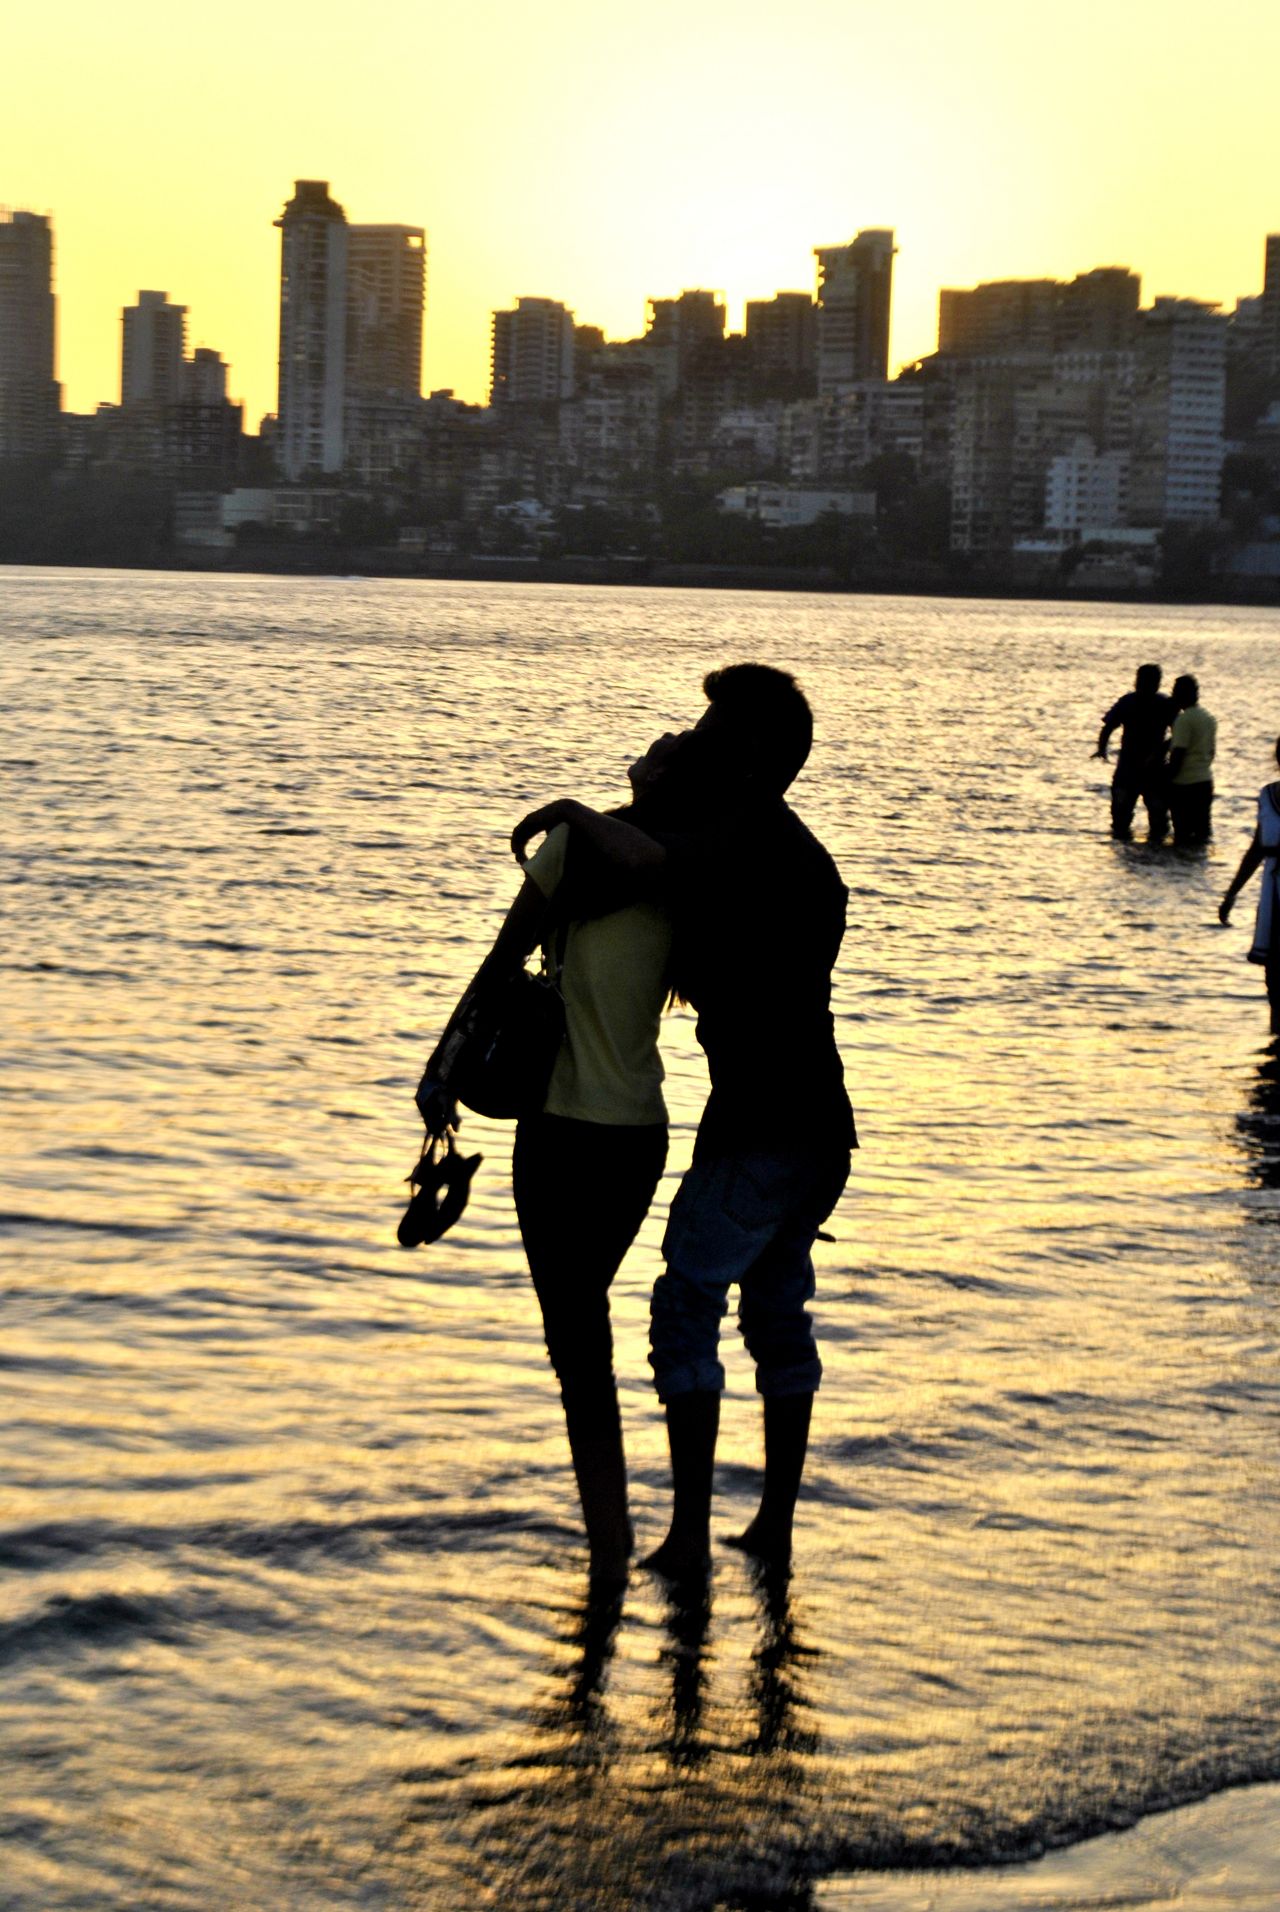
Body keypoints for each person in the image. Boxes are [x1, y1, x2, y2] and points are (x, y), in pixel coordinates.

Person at [513, 665, 855, 1578]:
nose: (690, 738)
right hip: (822, 1129)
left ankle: (691, 1538)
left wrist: (573, 810)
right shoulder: (793, 848)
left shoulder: (743, 836)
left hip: (762, 1127)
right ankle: (773, 1529)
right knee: (778, 1316)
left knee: (684, 1311)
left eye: (707, 731)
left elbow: (647, 861)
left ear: (745, 758)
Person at [416, 732, 712, 1585]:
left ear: (658, 779)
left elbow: (498, 964)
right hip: (638, 1134)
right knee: (582, 1328)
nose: (648, 749)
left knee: (574, 1338)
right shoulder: (681, 870)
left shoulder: (579, 846)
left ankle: (609, 1544)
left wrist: (442, 1069)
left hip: (558, 1130)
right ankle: (613, 1540)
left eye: (662, 750)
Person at [1218, 737, 1280, 1035]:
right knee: (1273, 973)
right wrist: (1231, 894)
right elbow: (1256, 848)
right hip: (1272, 891)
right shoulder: (1267, 796)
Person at [1094, 663, 1173, 842]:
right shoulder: (1134, 702)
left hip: (1147, 769)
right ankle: (1151, 846)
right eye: (1141, 680)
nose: (1142, 684)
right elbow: (1108, 728)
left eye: (1146, 681)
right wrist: (1102, 748)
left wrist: (1102, 748)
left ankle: (1136, 841)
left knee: (1151, 817)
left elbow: (1108, 727)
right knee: (1126, 817)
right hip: (1135, 768)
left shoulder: (1159, 703)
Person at [1167, 673, 1217, 847]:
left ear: (1183, 694)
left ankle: (1183, 869)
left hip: (1185, 784)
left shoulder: (1184, 719)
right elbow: (1211, 752)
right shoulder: (1208, 717)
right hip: (1204, 781)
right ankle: (1197, 870)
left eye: (1175, 692)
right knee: (1202, 833)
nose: (1172, 696)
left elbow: (1178, 753)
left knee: (1182, 834)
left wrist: (1167, 778)